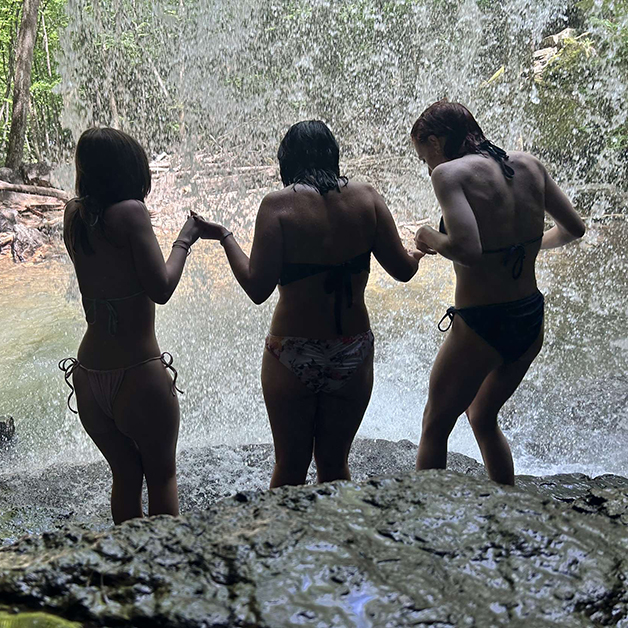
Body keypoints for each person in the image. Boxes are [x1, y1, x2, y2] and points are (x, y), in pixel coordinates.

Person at [194, 120, 422, 487]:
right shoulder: (367, 198)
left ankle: (284, 545)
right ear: (333, 156)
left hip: (292, 351)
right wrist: (419, 252)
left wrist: (224, 236)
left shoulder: (278, 206)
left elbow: (257, 288)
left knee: (289, 467)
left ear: (288, 161)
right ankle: (333, 541)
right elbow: (403, 270)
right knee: (334, 467)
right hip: (352, 349)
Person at [411, 100, 586, 485]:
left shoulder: (449, 175)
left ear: (436, 142)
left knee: (435, 425)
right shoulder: (528, 165)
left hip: (482, 324)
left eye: (425, 157)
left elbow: (468, 249)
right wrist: (529, 245)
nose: (428, 167)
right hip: (529, 318)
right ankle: (507, 506)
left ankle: (422, 520)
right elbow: (575, 227)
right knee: (483, 416)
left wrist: (429, 237)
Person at [59, 127, 202, 523]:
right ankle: (163, 571)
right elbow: (161, 287)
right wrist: (185, 239)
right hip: (138, 374)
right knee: (161, 476)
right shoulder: (130, 214)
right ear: (128, 169)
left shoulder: (74, 216)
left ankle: (128, 569)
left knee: (124, 475)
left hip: (89, 377)